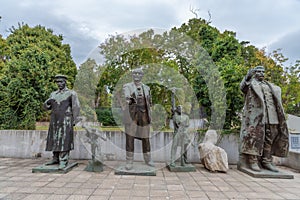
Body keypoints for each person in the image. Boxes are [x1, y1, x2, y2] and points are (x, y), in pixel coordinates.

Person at [239, 66, 289, 172]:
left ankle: (266, 160)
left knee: (270, 138)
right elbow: (242, 88)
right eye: (258, 71)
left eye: (263, 72)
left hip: (272, 116)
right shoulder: (251, 84)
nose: (261, 73)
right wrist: (247, 77)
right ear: (254, 73)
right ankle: (253, 161)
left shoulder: (271, 86)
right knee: (255, 138)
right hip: (257, 117)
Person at [44, 74, 80, 169]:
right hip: (54, 119)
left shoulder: (71, 93)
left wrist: (74, 120)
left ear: (65, 82)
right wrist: (47, 103)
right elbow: (47, 107)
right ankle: (55, 158)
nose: (59, 84)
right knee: (54, 138)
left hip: (66, 119)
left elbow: (76, 107)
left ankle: (63, 160)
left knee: (64, 139)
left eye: (61, 82)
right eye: (57, 82)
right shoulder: (53, 94)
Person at [122, 68, 154, 170]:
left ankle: (148, 159)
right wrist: (130, 100)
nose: (136, 75)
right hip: (132, 115)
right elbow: (127, 98)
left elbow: (150, 102)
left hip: (144, 115)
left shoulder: (147, 88)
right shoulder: (127, 86)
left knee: (146, 138)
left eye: (138, 73)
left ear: (142, 75)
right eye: (134, 73)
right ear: (132, 75)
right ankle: (129, 161)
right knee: (130, 138)